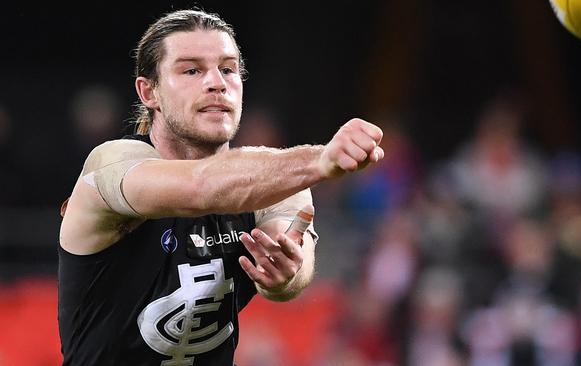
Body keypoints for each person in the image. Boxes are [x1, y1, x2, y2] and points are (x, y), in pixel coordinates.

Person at [57, 9, 384, 366]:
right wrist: (321, 161)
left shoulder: (271, 179)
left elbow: (292, 264)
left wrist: (284, 275)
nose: (217, 82)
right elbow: (200, 186)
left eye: (227, 69)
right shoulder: (112, 165)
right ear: (148, 91)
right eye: (191, 70)